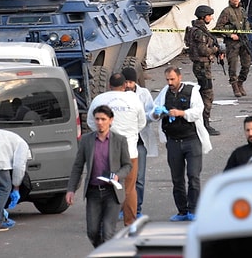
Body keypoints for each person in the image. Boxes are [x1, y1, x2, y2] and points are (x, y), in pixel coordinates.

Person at [149, 66, 212, 222]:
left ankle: (194, 209)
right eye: (167, 80)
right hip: (173, 142)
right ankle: (182, 211)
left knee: (193, 176)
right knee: (177, 179)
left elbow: (199, 110)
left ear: (179, 77)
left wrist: (182, 113)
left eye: (172, 79)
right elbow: (152, 111)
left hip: (191, 140)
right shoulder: (165, 93)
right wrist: (157, 113)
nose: (170, 83)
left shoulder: (191, 91)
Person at [66, 105, 132, 247]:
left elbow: (127, 165)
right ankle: (102, 251)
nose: (100, 122)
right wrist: (71, 189)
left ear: (111, 120)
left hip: (112, 193)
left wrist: (117, 176)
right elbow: (78, 166)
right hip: (94, 192)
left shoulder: (119, 140)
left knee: (108, 232)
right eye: (97, 119)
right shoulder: (86, 140)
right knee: (93, 231)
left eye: (103, 119)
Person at [86, 72, 146, 226]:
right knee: (129, 189)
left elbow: (92, 123)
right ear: (125, 85)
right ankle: (130, 223)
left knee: (103, 187)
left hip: (105, 152)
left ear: (108, 85)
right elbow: (142, 123)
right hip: (130, 151)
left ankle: (103, 223)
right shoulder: (134, 99)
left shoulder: (99, 99)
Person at [121, 66, 157, 219]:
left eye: (130, 82)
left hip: (139, 142)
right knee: (121, 178)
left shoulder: (143, 94)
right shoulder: (119, 95)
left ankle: (137, 209)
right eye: (126, 82)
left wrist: (154, 115)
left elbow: (149, 113)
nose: (128, 85)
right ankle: (122, 208)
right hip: (122, 143)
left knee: (139, 178)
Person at [187, 5, 223, 135]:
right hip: (202, 67)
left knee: (204, 94)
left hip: (201, 66)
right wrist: (215, 50)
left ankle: (202, 123)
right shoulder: (199, 32)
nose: (211, 18)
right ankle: (204, 124)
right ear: (203, 16)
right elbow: (203, 50)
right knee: (207, 95)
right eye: (209, 15)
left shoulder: (198, 29)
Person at [214, 0, 252, 97]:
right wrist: (230, 35)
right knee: (233, 65)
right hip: (232, 43)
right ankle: (234, 85)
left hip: (244, 40)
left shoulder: (242, 10)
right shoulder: (226, 11)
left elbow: (246, 23)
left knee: (247, 64)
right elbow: (218, 28)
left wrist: (247, 31)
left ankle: (240, 82)